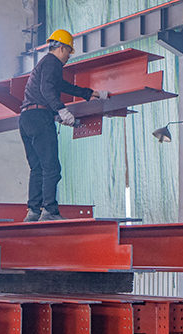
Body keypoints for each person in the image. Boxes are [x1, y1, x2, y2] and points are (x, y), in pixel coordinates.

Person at [19, 29, 109, 222]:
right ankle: (49, 211)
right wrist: (61, 110)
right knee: (51, 167)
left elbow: (62, 86)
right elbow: (47, 89)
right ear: (61, 47)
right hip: (40, 117)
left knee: (37, 168)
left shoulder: (43, 65)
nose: (69, 56)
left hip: (26, 118)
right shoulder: (52, 62)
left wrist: (89, 93)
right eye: (69, 51)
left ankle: (33, 211)